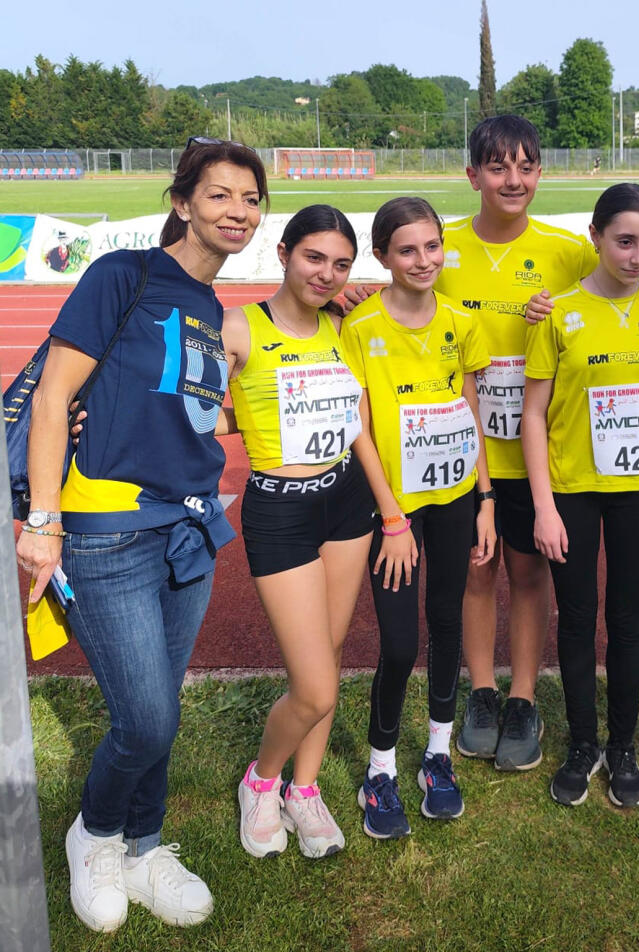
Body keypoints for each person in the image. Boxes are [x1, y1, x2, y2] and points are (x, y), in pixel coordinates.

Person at [17, 138, 266, 931]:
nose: (237, 212)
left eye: (251, 200)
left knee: (160, 707)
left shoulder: (211, 308)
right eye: (220, 195)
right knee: (147, 717)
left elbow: (185, 410)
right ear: (182, 201)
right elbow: (56, 397)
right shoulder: (121, 276)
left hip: (189, 529)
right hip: (105, 530)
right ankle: (93, 833)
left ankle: (144, 845)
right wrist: (42, 522)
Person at [443, 117, 596, 771]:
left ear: (540, 173)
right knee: (477, 570)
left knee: (529, 573)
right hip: (464, 448)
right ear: (473, 174)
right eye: (499, 167)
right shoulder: (441, 247)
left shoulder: (567, 252)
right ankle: (481, 690)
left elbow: (616, 293)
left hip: (534, 449)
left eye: (527, 167)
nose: (514, 180)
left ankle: (525, 698)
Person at [340, 197, 495, 833]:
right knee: (402, 642)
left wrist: (485, 500)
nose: (424, 260)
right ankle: (380, 769)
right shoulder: (361, 327)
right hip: (394, 511)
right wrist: (393, 520)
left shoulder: (462, 322)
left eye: (432, 247)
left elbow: (471, 413)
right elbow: (360, 430)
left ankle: (437, 754)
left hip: (457, 499)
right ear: (383, 257)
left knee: (446, 624)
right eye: (407, 250)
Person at [228, 205, 376, 860]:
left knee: (334, 649)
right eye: (315, 258)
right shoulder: (241, 326)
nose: (327, 273)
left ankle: (304, 789)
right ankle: (260, 780)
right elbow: (195, 410)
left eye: (341, 263)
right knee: (313, 683)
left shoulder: (345, 326)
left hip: (345, 502)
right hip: (280, 509)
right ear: (284, 253)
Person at [522, 183, 639, 808]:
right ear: (595, 237)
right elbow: (534, 414)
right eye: (624, 241)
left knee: (628, 619)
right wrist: (544, 505)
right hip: (574, 492)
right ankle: (583, 743)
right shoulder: (556, 313)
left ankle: (623, 746)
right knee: (579, 617)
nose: (637, 256)